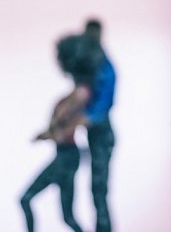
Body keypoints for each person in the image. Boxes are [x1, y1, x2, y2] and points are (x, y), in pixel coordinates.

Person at [20, 34, 102, 232]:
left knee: (27, 199)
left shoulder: (80, 95)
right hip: (66, 155)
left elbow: (68, 127)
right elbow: (58, 129)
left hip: (67, 156)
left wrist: (54, 132)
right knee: (67, 216)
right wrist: (48, 133)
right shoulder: (73, 96)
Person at [82, 19, 116, 232]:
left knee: (99, 190)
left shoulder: (102, 63)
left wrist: (82, 117)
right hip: (96, 135)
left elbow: (104, 103)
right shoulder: (91, 61)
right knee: (97, 191)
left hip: (102, 135)